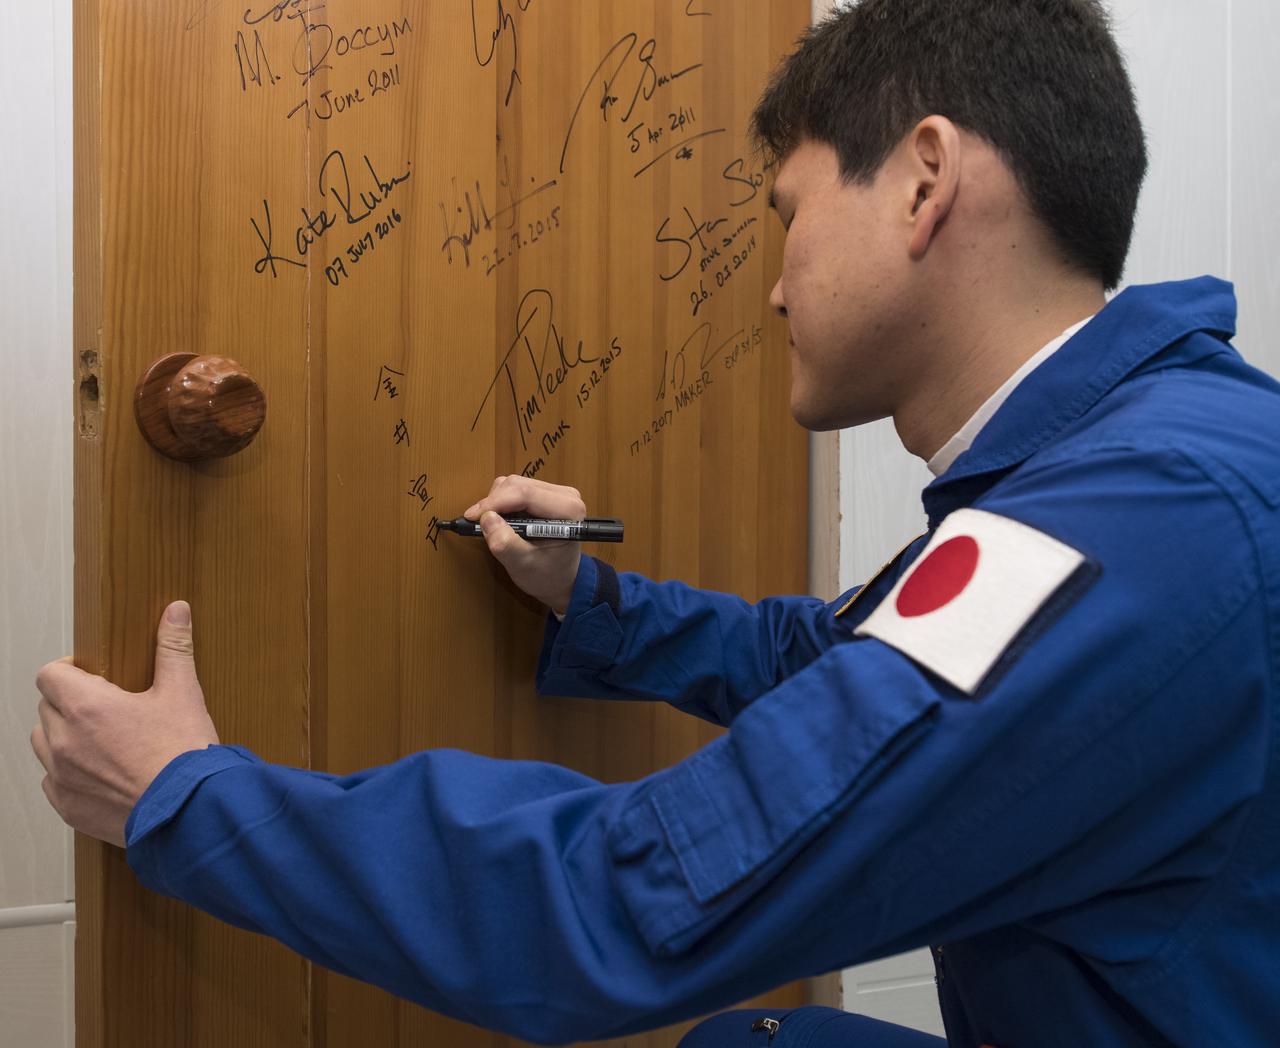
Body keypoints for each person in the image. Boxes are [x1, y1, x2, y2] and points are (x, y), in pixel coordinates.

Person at [30, 0, 1280, 1044]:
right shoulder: (1145, 458)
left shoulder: (1138, 528)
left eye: (787, 215)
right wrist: (599, 604)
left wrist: (186, 797)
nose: (776, 284)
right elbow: (850, 669)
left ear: (922, 181)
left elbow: (623, 903)